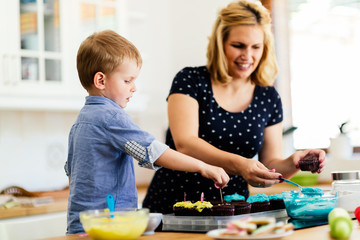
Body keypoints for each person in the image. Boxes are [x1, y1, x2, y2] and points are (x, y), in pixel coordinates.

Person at [142, 0, 326, 214]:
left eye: (256, 47)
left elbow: (269, 167)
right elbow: (185, 144)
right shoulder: (190, 80)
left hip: (232, 211)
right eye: (238, 45)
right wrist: (241, 164)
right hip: (174, 205)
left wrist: (294, 162)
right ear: (220, 43)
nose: (247, 56)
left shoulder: (268, 97)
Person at [64, 30, 230, 234]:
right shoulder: (112, 117)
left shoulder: (81, 121)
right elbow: (154, 152)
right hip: (110, 227)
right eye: (127, 81)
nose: (133, 88)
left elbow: (71, 175)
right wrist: (203, 166)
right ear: (101, 81)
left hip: (80, 225)